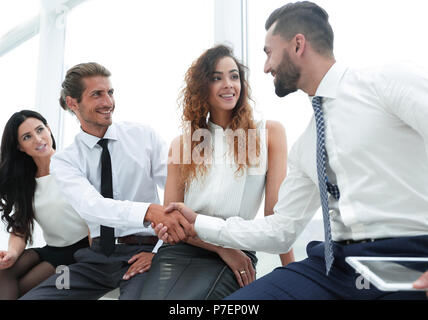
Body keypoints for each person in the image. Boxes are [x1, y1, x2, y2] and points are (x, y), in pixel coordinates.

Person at [157, 2, 428, 299]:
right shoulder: (307, 144)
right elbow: (281, 229)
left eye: (268, 53)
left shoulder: (385, 82)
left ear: (298, 45)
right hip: (334, 265)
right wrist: (199, 223)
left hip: (409, 256)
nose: (265, 67)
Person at [20, 62, 193, 300]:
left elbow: (182, 194)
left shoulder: (143, 136)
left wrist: (159, 251)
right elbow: (92, 206)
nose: (108, 102)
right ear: (73, 103)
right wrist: (149, 211)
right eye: (97, 95)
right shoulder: (65, 160)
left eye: (110, 93)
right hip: (94, 260)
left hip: (147, 251)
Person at [140, 45, 294, 300]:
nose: (228, 84)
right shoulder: (183, 144)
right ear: (202, 87)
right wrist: (220, 248)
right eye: (216, 78)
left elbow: (275, 215)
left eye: (234, 76)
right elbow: (172, 218)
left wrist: (291, 271)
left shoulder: (268, 135)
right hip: (185, 249)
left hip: (237, 251)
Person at [0, 110, 90, 300]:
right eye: (27, 137)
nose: (38, 139)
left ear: (49, 129)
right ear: (20, 147)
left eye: (40, 130)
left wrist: (97, 259)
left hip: (79, 251)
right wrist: (13, 254)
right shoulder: (26, 182)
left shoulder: (76, 166)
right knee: (3, 271)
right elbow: (20, 226)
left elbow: (97, 214)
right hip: (51, 249)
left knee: (23, 289)